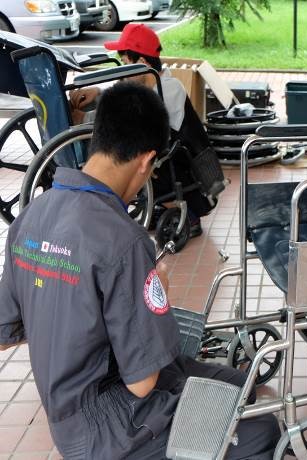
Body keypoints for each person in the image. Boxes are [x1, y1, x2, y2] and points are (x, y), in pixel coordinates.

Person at [0, 82, 280, 459]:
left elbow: (5, 331)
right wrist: (154, 293)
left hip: (68, 415)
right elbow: (142, 383)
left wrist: (64, 311)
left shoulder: (33, 214)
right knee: (261, 427)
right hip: (113, 424)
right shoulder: (124, 242)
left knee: (238, 383)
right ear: (147, 161)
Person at [70, 23, 221, 238]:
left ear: (141, 63)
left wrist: (85, 119)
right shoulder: (148, 84)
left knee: (128, 155)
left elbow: (129, 118)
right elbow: (126, 97)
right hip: (163, 159)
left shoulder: (169, 88)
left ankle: (187, 216)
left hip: (184, 170)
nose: (122, 70)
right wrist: (98, 92)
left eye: (125, 63)